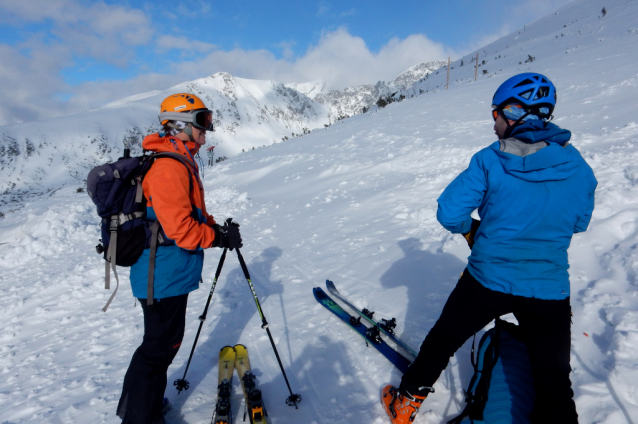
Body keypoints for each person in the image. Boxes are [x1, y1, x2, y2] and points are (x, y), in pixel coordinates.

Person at [381, 73, 597, 424]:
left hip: (487, 279)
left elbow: (449, 212)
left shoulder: (490, 160)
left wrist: (473, 231)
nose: (493, 123)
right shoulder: (578, 168)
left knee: (444, 339)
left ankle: (404, 405)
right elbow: (578, 222)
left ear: (511, 113)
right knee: (554, 380)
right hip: (548, 286)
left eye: (495, 114)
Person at [117, 93, 243, 424]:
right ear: (179, 126)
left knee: (157, 348)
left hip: (167, 272)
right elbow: (182, 231)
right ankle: (139, 418)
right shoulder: (170, 167)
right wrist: (217, 238)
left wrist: (216, 227)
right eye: (202, 121)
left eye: (209, 121)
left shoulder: (178, 162)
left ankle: (141, 409)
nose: (208, 130)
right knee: (159, 349)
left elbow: (188, 214)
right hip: (163, 275)